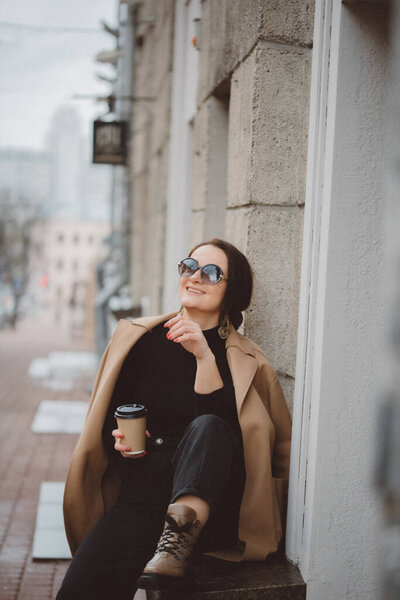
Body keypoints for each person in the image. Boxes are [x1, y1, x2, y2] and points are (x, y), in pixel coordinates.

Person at [57, 239, 292, 600]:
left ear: (232, 292)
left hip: (211, 517)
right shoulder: (140, 340)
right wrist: (120, 442)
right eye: (189, 266)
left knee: (208, 427)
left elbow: (232, 439)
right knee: (78, 589)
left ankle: (175, 545)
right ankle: (166, 547)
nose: (195, 277)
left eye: (211, 273)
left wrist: (203, 357)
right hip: (141, 499)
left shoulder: (249, 363)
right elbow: (110, 421)